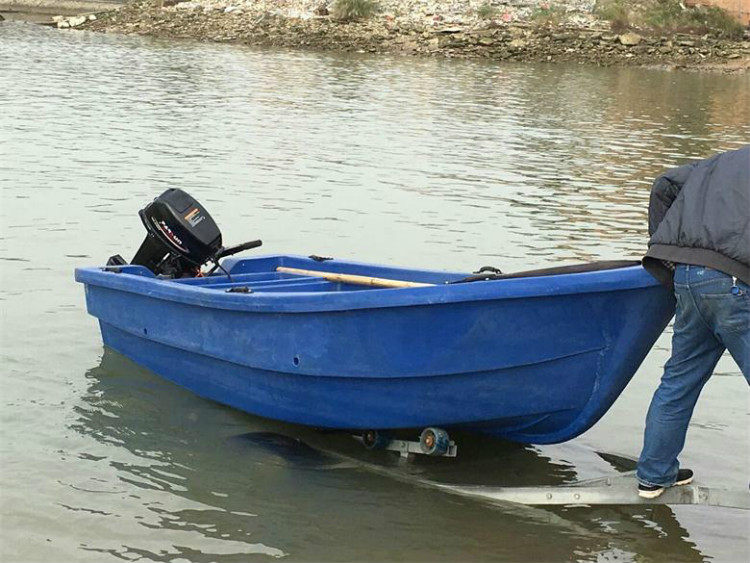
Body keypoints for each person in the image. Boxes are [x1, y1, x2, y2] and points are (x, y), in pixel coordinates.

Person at [637, 145, 749, 498]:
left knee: (678, 381)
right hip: (735, 283)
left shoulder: (720, 162)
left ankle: (653, 475)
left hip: (687, 277)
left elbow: (663, 185)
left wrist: (663, 247)